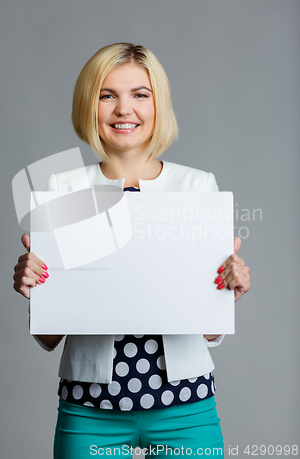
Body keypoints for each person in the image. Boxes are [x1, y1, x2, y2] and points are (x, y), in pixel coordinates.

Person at [13, 43, 251, 458]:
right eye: (108, 95)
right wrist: (38, 292)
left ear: (159, 105)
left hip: (187, 407)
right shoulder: (62, 191)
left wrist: (227, 291)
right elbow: (50, 335)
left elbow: (210, 331)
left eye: (140, 94)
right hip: (88, 407)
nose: (124, 109)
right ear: (90, 105)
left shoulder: (197, 189)